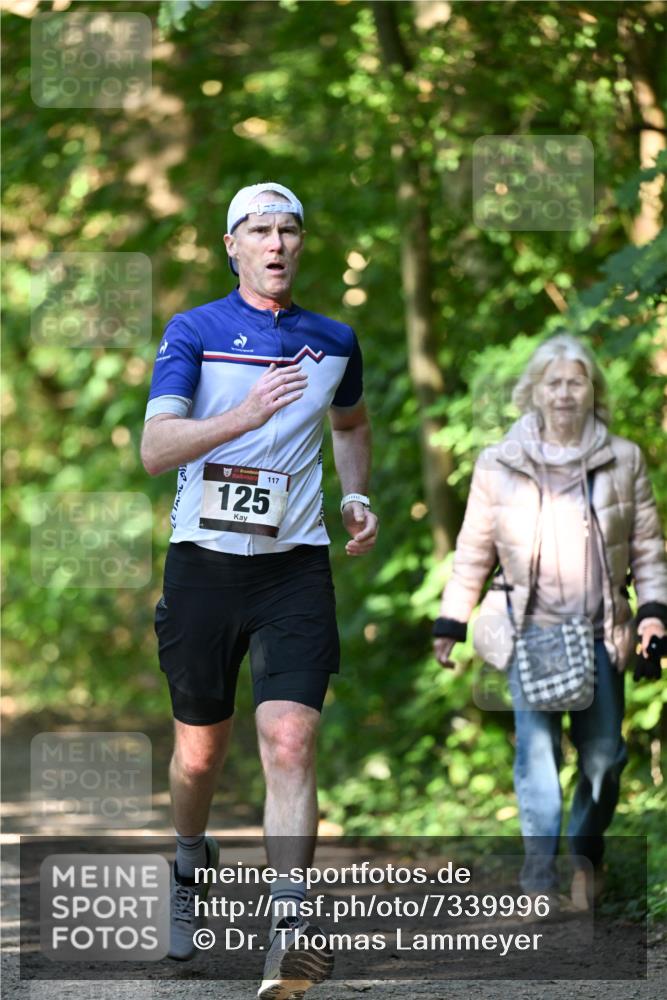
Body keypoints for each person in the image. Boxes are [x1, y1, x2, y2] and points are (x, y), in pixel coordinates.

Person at [141, 182, 378, 998]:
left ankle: (290, 929)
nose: (277, 244)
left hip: (294, 566)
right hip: (203, 564)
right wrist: (240, 418)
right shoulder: (195, 331)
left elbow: (349, 425)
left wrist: (355, 494)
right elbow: (155, 448)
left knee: (289, 739)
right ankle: (185, 861)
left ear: (300, 245)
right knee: (200, 754)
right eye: (260, 232)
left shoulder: (333, 338)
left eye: (289, 231)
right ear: (231, 246)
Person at [432, 334, 666, 907]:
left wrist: (654, 614)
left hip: (601, 631)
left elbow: (649, 548)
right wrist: (450, 621)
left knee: (605, 757)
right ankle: (539, 877)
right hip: (527, 631)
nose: (564, 392)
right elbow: (473, 550)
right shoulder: (499, 462)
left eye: (576, 381)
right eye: (554, 382)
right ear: (534, 390)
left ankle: (586, 852)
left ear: (593, 389)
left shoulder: (625, 458)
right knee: (536, 755)